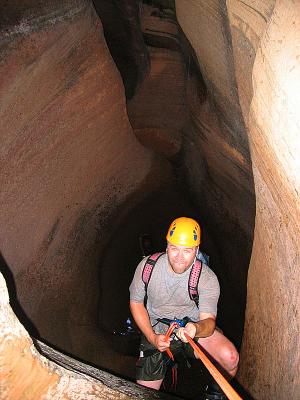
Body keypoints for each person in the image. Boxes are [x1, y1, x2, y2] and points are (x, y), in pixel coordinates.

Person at [129, 217, 239, 400]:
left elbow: (209, 323)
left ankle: (214, 395)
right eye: (174, 249)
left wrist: (195, 328)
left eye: (187, 251)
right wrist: (152, 337)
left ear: (196, 250)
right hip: (157, 330)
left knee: (230, 357)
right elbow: (136, 302)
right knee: (144, 395)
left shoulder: (206, 278)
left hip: (192, 329)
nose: (179, 257)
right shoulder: (147, 268)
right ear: (167, 246)